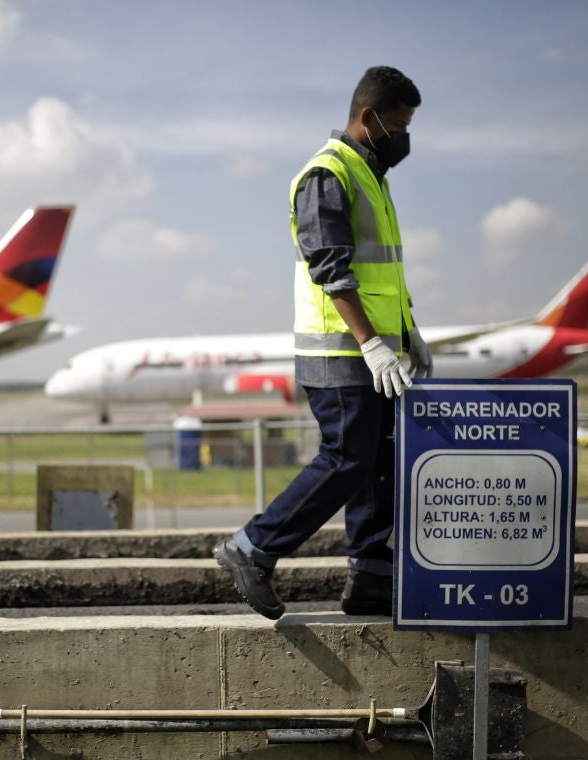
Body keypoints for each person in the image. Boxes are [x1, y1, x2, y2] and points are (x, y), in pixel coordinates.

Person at [213, 66, 430, 619]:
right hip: (340, 350)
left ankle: (371, 575)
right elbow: (331, 270)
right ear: (368, 117)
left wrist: (408, 334)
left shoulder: (371, 176)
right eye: (399, 125)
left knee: (378, 459)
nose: (403, 136)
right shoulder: (326, 174)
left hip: (374, 352)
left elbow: (385, 274)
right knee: (346, 458)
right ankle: (252, 548)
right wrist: (373, 344)